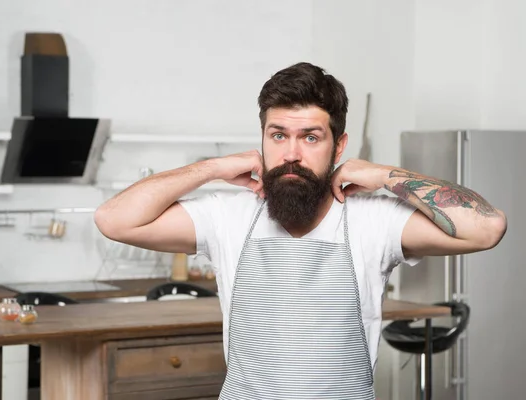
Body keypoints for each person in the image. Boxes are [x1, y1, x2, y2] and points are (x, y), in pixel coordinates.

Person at [94, 62, 507, 399]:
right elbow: (113, 219)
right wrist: (212, 167)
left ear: (338, 147)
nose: (291, 154)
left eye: (310, 137)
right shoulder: (227, 216)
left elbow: (487, 228)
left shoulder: (373, 220)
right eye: (278, 136)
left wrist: (382, 174)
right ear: (262, 140)